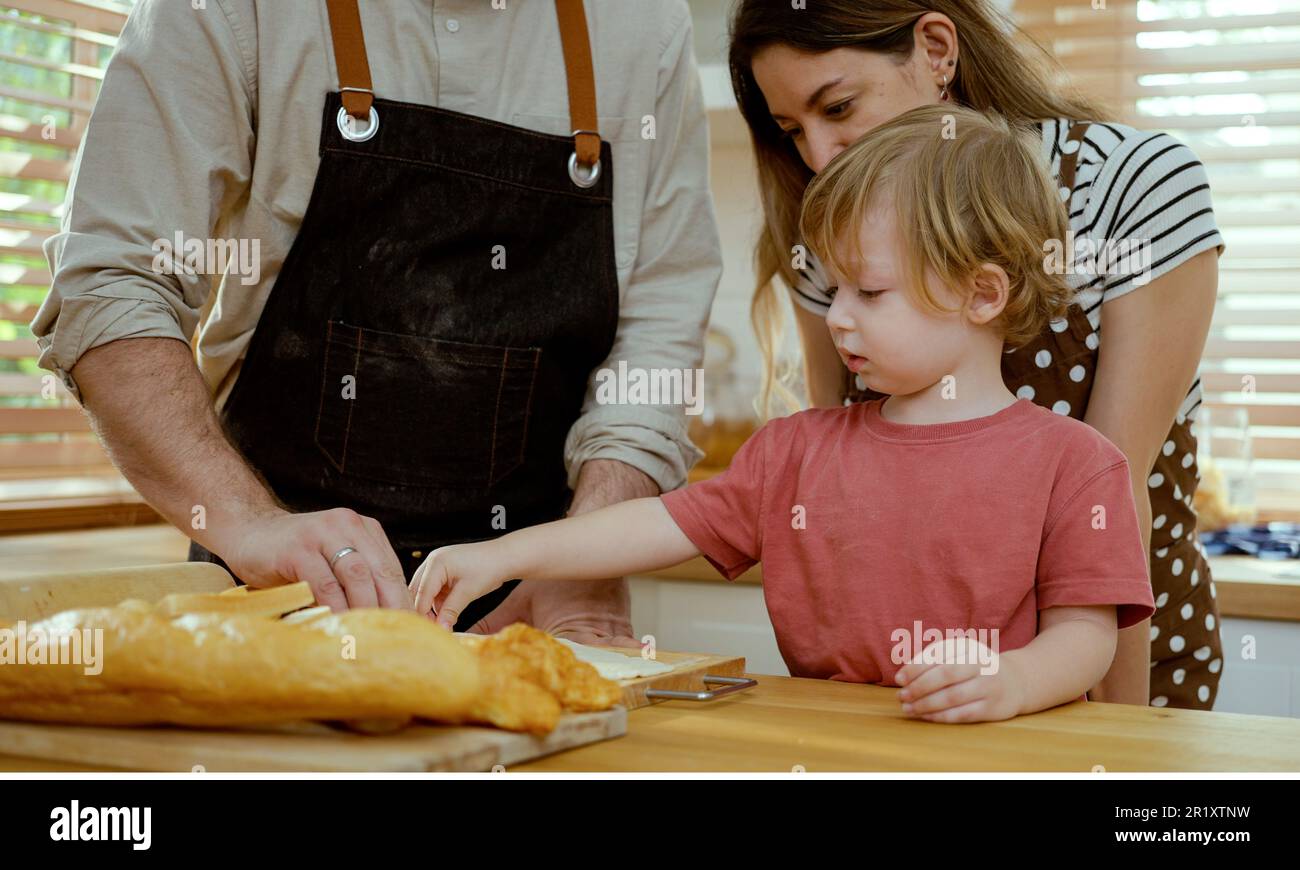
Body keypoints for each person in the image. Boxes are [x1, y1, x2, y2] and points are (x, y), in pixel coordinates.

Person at [410, 105, 1156, 724]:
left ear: (982, 294)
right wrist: (500, 557)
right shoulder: (794, 452)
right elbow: (654, 525)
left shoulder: (1078, 463)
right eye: (833, 292)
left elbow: (1086, 639)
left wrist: (1014, 682)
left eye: (869, 293)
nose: (836, 319)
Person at [31, 0, 721, 643]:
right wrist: (248, 524)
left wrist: (580, 564)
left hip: (537, 602)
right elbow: (113, 284)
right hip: (273, 591)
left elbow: (655, 341)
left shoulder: (645, 24)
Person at [727, 0, 1223, 708]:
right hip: (923, 690)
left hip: (1119, 665)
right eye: (791, 131)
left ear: (936, 50)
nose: (818, 155)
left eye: (836, 107)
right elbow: (838, 468)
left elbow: (1115, 497)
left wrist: (1120, 738)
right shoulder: (841, 228)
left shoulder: (1131, 187)